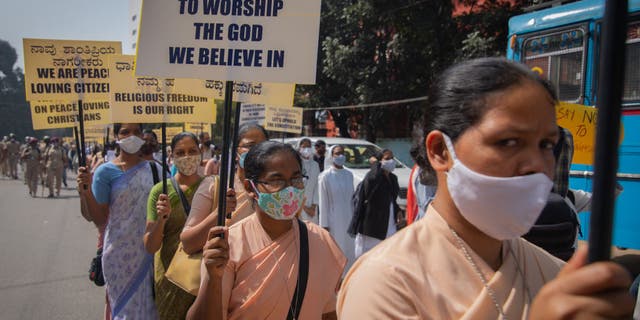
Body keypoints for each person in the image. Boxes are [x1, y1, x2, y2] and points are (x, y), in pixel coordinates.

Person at [337, 58, 635, 319]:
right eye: (508, 141)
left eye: (546, 144)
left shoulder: (552, 273)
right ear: (440, 151)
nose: (537, 164)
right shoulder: (386, 281)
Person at [186, 141, 346, 320]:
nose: (290, 189)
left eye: (296, 178)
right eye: (277, 180)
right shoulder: (227, 245)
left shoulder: (320, 240)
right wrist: (213, 279)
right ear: (250, 188)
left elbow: (329, 311)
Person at [77, 123, 159, 320]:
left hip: (151, 252)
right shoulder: (105, 172)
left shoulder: (156, 170)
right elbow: (98, 219)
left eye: (137, 132)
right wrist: (86, 192)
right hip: (119, 256)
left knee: (150, 310)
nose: (132, 136)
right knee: (124, 310)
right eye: (125, 132)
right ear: (115, 136)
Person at [143, 132, 204, 320]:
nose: (187, 157)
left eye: (192, 151)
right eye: (180, 152)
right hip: (169, 276)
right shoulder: (160, 191)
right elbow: (150, 246)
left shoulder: (212, 187)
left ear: (200, 153)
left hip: (203, 276)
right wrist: (161, 219)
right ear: (172, 156)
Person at [181, 123, 268, 254]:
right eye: (250, 146)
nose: (258, 151)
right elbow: (188, 244)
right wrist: (219, 212)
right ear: (235, 151)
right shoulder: (215, 186)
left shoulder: (274, 190)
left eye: (263, 146)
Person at [350, 149, 401, 258]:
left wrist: (398, 211)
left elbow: (392, 198)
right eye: (387, 159)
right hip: (372, 227)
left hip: (389, 224)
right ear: (379, 161)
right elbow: (372, 179)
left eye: (392, 158)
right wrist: (375, 164)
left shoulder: (393, 178)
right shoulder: (372, 176)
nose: (391, 161)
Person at [319, 144, 356, 271]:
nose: (341, 156)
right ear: (331, 155)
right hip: (333, 219)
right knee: (337, 248)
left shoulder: (349, 175)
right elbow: (323, 202)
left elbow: (352, 199)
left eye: (343, 153)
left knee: (350, 248)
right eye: (337, 153)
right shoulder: (325, 176)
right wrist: (324, 225)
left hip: (349, 217)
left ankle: (349, 275)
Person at [297, 137, 320, 224]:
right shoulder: (296, 164)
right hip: (298, 205)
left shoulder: (315, 165)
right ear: (299, 148)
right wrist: (304, 207)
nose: (307, 149)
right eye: (304, 146)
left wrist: (313, 206)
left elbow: (317, 186)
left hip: (312, 206)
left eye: (309, 146)